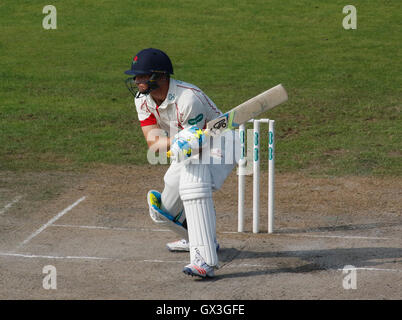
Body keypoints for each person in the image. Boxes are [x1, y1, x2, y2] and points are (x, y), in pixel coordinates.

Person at [124, 48, 239, 278]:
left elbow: (198, 143)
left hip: (221, 145)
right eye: (136, 76)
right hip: (186, 144)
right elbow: (154, 142)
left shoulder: (188, 99)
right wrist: (176, 141)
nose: (137, 81)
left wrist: (185, 141)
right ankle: (193, 237)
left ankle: (205, 259)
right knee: (163, 210)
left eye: (142, 76)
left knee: (193, 184)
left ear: (160, 76)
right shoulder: (143, 100)